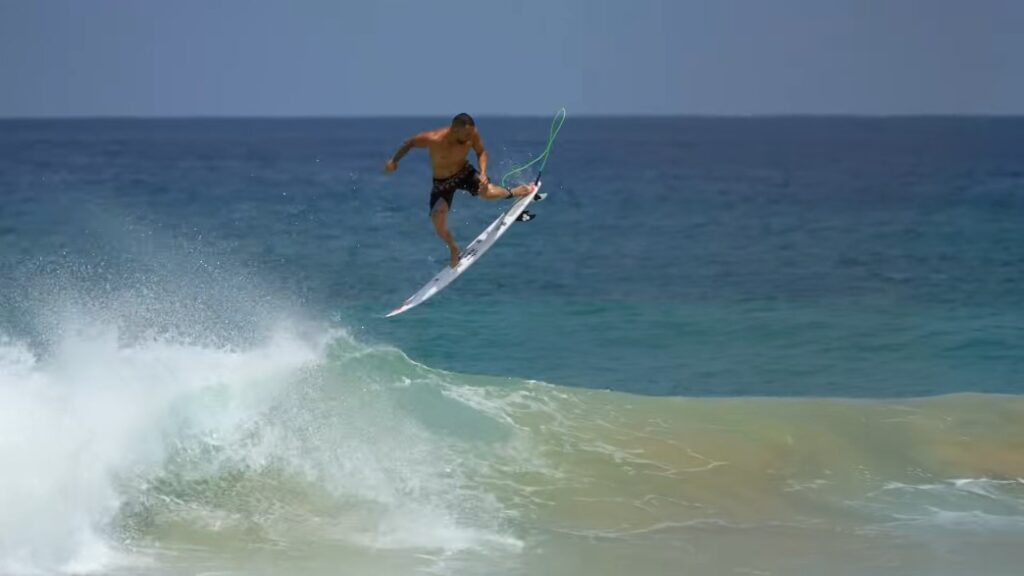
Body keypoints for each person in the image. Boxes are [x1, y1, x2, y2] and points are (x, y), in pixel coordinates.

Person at [385, 113, 537, 268]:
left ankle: (514, 192)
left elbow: (481, 152)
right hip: (442, 183)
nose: (470, 137)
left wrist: (483, 173)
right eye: (466, 134)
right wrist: (394, 161)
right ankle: (453, 248)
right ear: (454, 130)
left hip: (464, 172)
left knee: (487, 192)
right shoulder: (433, 138)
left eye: (471, 133)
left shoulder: (472, 135)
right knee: (437, 218)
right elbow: (409, 143)